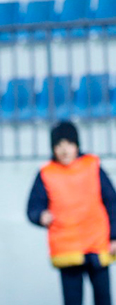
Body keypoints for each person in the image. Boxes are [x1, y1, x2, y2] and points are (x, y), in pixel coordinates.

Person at [27, 121, 116, 305]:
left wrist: (114, 237)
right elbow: (33, 207)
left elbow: (112, 203)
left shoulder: (92, 166)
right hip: (67, 249)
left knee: (103, 298)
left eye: (69, 144)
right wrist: (41, 216)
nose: (64, 150)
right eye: (59, 145)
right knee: (72, 300)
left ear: (77, 145)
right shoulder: (47, 173)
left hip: (97, 244)